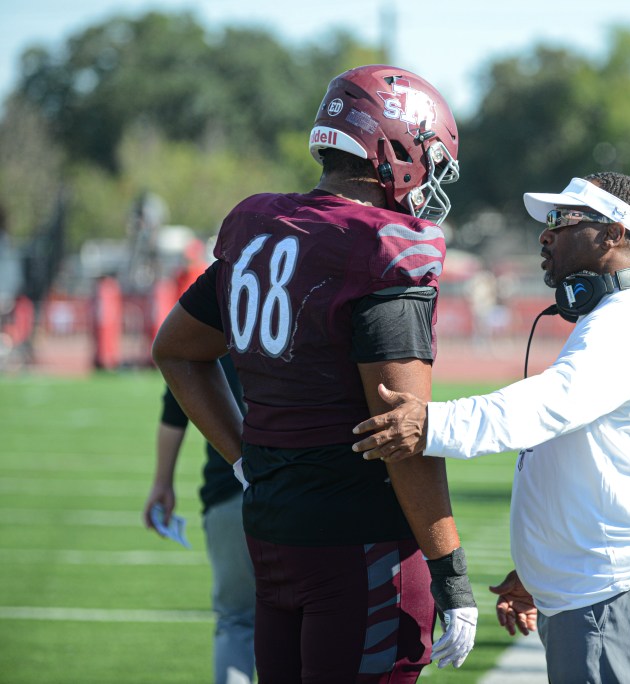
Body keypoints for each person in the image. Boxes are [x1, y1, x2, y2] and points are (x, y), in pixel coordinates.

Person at [151, 64, 477, 683]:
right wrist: (451, 572)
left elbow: (177, 349)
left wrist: (245, 458)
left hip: (273, 533)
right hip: (362, 544)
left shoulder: (262, 227)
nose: (430, 176)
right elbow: (402, 435)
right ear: (396, 148)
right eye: (428, 155)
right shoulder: (381, 250)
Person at [352, 172, 630, 683]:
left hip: (615, 586)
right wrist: (541, 567)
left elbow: (546, 406)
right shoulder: (619, 317)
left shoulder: (629, 322)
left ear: (613, 235)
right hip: (599, 582)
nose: (546, 234)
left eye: (563, 221)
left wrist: (430, 423)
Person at [143, 354, 256, 684]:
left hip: (230, 491)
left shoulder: (218, 314)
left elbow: (177, 395)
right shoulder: (311, 307)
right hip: (301, 493)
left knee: (236, 620)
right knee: (306, 622)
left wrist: (162, 482)